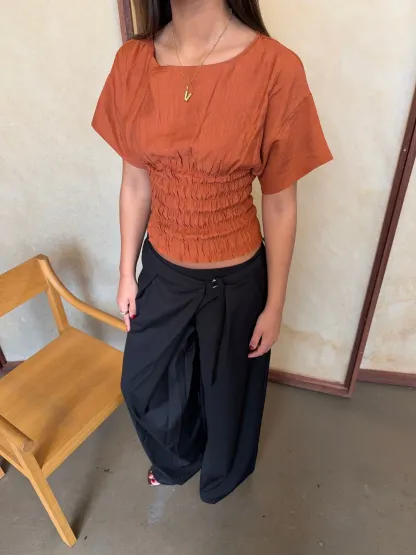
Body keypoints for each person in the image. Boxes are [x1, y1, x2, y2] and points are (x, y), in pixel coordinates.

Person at [92, 0, 332, 504]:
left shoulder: (276, 67)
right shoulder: (132, 62)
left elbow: (280, 204)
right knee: (142, 384)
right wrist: (126, 271)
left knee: (228, 395)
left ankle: (224, 474)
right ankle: (179, 459)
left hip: (238, 279)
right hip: (162, 267)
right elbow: (135, 183)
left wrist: (275, 304)